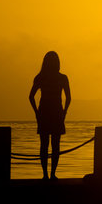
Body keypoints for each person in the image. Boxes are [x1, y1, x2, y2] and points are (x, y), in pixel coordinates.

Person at [29, 51, 71, 180]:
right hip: (52, 112)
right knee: (51, 145)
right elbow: (68, 98)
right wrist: (64, 111)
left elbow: (31, 97)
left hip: (49, 113)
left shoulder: (43, 77)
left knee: (47, 145)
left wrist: (37, 113)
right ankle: (49, 174)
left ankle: (48, 174)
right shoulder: (54, 78)